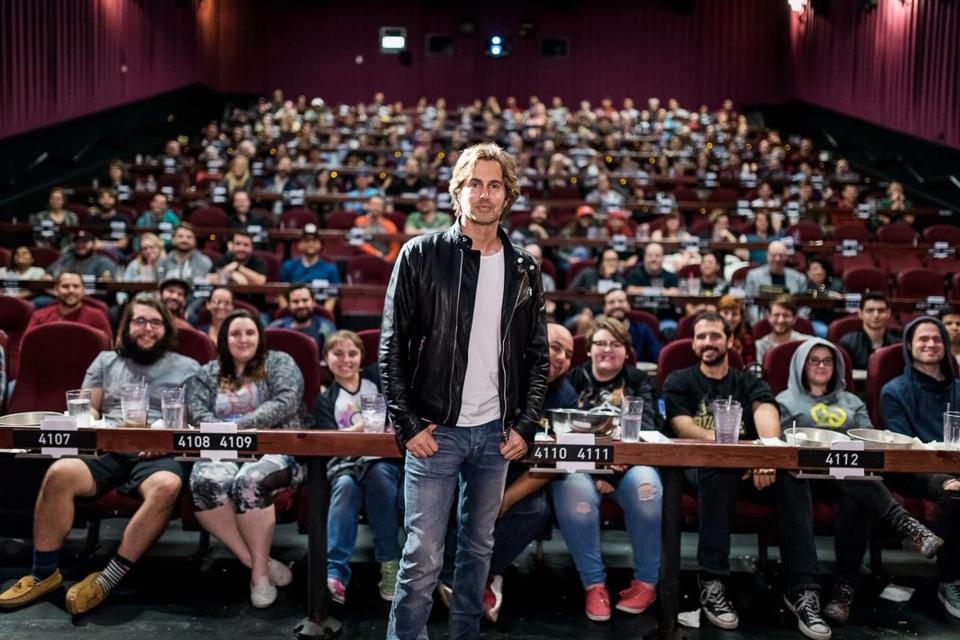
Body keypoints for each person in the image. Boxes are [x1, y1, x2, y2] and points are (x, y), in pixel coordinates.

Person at [380, 142, 548, 640]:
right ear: (457, 191)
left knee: (478, 556)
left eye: (495, 184)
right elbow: (390, 349)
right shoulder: (420, 254)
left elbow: (538, 358)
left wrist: (526, 425)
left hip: (496, 436)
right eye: (474, 182)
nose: (484, 193)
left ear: (507, 195)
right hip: (436, 432)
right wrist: (407, 425)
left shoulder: (525, 268)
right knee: (422, 559)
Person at [0, 298, 199, 615]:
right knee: (60, 473)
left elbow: (195, 418)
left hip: (157, 450)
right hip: (109, 446)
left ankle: (108, 578)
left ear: (167, 328)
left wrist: (167, 438)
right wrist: (90, 422)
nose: (146, 328)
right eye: (139, 321)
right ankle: (43, 574)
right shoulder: (106, 360)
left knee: (166, 486)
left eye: (155, 322)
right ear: (126, 327)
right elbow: (89, 406)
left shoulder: (188, 366)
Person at [664, 312, 830, 639]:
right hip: (702, 469)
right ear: (693, 343)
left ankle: (803, 589)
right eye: (701, 337)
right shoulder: (679, 380)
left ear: (729, 341)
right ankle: (712, 580)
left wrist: (765, 453)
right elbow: (683, 426)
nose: (707, 343)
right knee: (717, 466)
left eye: (714, 336)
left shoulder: (748, 381)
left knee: (792, 476)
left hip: (750, 469)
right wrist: (736, 454)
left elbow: (766, 412)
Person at [776, 338, 942, 624]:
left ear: (838, 366)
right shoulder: (783, 401)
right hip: (805, 479)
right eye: (813, 360)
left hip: (851, 479)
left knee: (855, 495)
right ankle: (907, 524)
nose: (821, 365)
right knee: (847, 473)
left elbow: (868, 442)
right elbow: (781, 444)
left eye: (827, 360)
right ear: (801, 365)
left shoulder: (852, 402)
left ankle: (844, 591)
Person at [439, 323, 577, 622]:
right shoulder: (501, 373)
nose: (561, 357)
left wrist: (507, 499)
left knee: (536, 510)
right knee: (456, 500)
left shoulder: (565, 395)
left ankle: (481, 573)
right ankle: (455, 572)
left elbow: (557, 459)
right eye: (555, 346)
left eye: (568, 353)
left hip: (519, 475)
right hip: (473, 467)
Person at [186, 310, 305, 608]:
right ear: (224, 339)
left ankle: (258, 574)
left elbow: (286, 401)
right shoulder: (207, 373)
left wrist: (236, 428)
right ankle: (258, 566)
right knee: (204, 483)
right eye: (235, 334)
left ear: (260, 336)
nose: (243, 339)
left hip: (276, 447)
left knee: (248, 481)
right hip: (222, 450)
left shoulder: (279, 362)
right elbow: (197, 411)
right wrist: (226, 436)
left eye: (249, 333)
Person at [550, 317, 661, 621]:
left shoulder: (640, 381)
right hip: (582, 465)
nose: (607, 350)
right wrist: (599, 468)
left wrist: (612, 471)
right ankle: (594, 585)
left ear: (627, 351)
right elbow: (561, 434)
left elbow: (647, 428)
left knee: (647, 489)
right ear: (589, 350)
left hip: (630, 463)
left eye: (615, 344)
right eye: (600, 343)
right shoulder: (571, 379)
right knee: (575, 493)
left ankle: (646, 582)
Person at [313, 331, 403, 604]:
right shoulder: (325, 401)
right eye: (337, 354)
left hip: (383, 462)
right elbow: (332, 444)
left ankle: (389, 562)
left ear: (362, 357)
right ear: (325, 359)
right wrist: (365, 427)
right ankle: (335, 572)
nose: (345, 360)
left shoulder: (377, 382)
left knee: (379, 476)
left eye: (352, 353)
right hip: (346, 466)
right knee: (344, 487)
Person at [880, 316, 960, 619]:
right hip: (914, 470)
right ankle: (949, 579)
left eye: (937, 339)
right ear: (909, 347)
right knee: (954, 491)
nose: (930, 344)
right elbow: (903, 445)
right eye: (923, 339)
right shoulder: (894, 390)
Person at [24, 271, 113, 341]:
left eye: (76, 286)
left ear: (83, 290)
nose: (71, 290)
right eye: (65, 286)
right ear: (55, 290)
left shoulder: (97, 316)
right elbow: (26, 346)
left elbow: (106, 349)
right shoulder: (39, 316)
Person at [279, 224, 339, 313]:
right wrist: (287, 313)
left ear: (320, 244)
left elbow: (332, 297)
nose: (310, 244)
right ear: (299, 244)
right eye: (306, 241)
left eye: (314, 241)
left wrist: (325, 315)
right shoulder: (288, 266)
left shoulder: (331, 269)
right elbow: (282, 294)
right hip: (295, 311)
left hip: (320, 314)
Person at [744, 241, 807, 324]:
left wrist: (796, 322)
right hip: (763, 321)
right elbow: (750, 305)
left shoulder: (799, 278)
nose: (777, 259)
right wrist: (758, 324)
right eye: (774, 255)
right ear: (767, 256)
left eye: (781, 256)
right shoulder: (753, 276)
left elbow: (805, 306)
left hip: (791, 322)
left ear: (787, 257)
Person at [838, 293, 901, 370]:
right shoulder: (848, 343)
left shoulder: (897, 344)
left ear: (888, 313)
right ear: (861, 314)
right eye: (870, 310)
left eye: (881, 310)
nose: (876, 315)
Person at [268, 284, 336, 352]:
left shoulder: (325, 328)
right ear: (288, 305)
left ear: (313, 302)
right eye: (295, 301)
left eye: (305, 300)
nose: (301, 305)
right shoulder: (276, 327)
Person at [601, 287, 662, 363]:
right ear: (604, 308)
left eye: (621, 301)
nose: (617, 305)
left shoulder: (643, 330)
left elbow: (658, 357)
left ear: (628, 305)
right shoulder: (597, 332)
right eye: (611, 302)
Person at [755, 295, 813, 365]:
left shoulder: (807, 343)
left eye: (786, 315)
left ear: (794, 319)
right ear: (769, 317)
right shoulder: (760, 346)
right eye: (776, 315)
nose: (781, 320)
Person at [47, 230, 117, 280]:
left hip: (94, 298)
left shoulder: (103, 262)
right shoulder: (66, 259)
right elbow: (49, 274)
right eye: (77, 242)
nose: (80, 245)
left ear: (94, 244)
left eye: (84, 242)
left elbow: (106, 286)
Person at [353, 195, 401, 262]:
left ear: (383, 208)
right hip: (366, 257)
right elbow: (357, 242)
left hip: (386, 258)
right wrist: (376, 253)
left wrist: (387, 259)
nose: (376, 208)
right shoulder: (359, 221)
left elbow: (395, 247)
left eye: (379, 205)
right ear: (368, 206)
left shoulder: (390, 225)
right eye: (373, 205)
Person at [717, 294, 756, 365]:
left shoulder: (747, 339)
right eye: (725, 313)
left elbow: (750, 366)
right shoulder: (709, 336)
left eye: (734, 314)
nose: (729, 318)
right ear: (718, 314)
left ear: (741, 317)